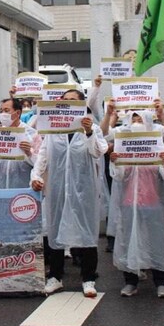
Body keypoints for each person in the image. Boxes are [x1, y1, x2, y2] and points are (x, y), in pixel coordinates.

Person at [30, 90, 107, 296]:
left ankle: (88, 278)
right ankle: (55, 276)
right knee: (55, 231)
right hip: (58, 188)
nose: (68, 104)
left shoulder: (93, 128)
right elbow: (43, 156)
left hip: (84, 189)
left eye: (73, 101)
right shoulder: (53, 130)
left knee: (87, 232)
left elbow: (99, 151)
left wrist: (89, 132)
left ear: (82, 104)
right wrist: (36, 176)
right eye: (65, 101)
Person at [109, 110, 164, 298]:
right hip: (130, 203)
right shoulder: (124, 146)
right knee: (129, 241)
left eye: (140, 118)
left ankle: (160, 281)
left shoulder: (158, 146)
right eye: (134, 118)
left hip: (153, 203)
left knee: (156, 241)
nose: (137, 121)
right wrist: (116, 162)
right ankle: (131, 281)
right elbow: (119, 176)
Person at [0, 98, 41, 189]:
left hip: (22, 190)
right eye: (1, 111)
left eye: (6, 111)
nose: (3, 114)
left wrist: (29, 153)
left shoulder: (32, 134)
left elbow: (40, 164)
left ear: (17, 113)